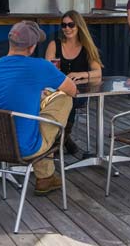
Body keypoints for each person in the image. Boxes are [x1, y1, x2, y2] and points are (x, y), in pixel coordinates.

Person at [0, 21, 77, 195]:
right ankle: (46, 175)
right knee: (64, 100)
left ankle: (46, 178)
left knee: (33, 115)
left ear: (10, 42)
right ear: (32, 47)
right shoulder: (40, 66)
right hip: (25, 149)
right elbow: (72, 89)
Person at [45, 10, 103, 155]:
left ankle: (60, 140)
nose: (67, 29)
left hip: (79, 93)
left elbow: (98, 73)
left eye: (71, 25)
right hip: (54, 91)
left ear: (79, 26)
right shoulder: (54, 45)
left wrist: (80, 74)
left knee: (68, 98)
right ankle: (65, 139)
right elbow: (46, 71)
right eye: (64, 25)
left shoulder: (86, 47)